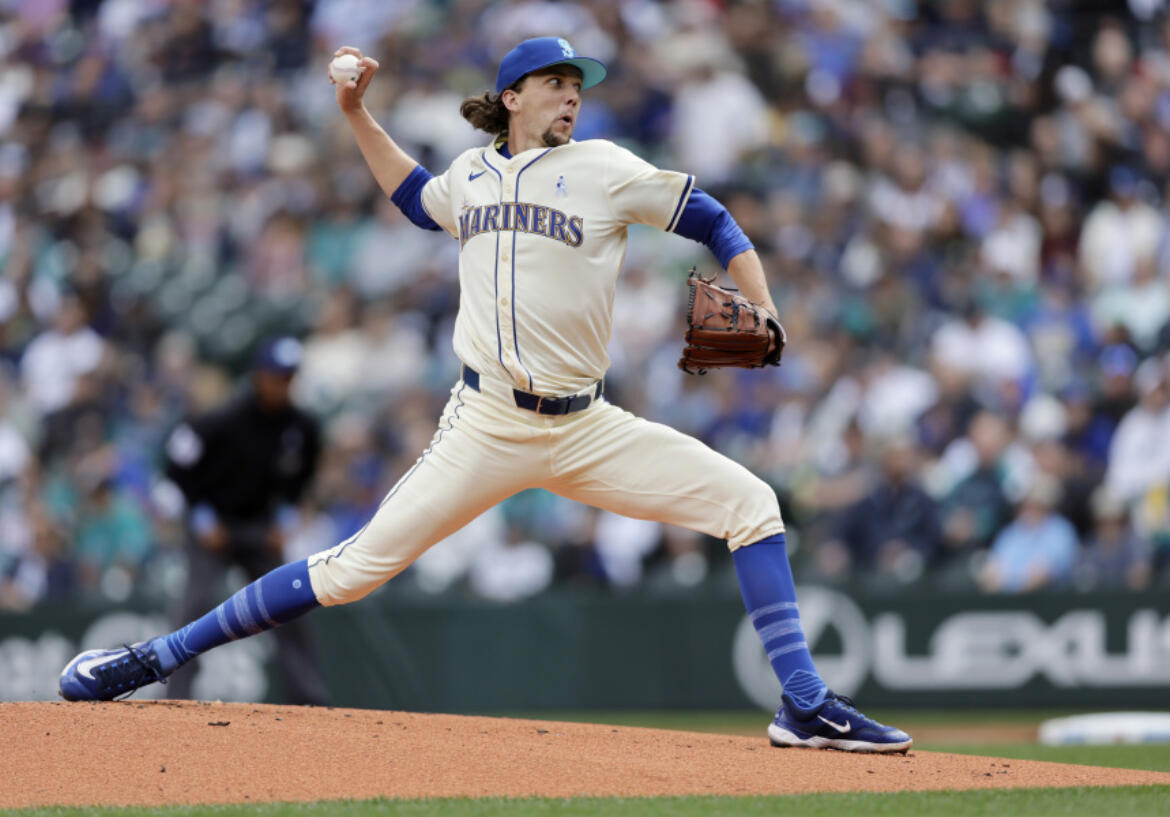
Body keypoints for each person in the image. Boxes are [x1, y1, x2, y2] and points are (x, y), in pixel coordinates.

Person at [59, 38, 909, 753]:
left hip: (586, 425)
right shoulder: (469, 176)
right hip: (486, 423)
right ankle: (152, 657)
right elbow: (413, 196)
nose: (571, 99)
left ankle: (802, 704)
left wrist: (758, 299)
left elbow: (717, 222)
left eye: (578, 88)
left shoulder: (606, 169)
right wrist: (356, 113)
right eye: (555, 85)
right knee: (351, 571)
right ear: (512, 98)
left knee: (751, 502)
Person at [157, 336, 329, 705]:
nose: (283, 385)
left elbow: (304, 478)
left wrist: (285, 516)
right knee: (194, 606)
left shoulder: (301, 427)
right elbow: (177, 466)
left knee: (290, 605)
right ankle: (179, 695)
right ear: (258, 376)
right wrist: (202, 518)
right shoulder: (221, 420)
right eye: (277, 376)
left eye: (289, 377)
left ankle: (308, 699)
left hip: (259, 528)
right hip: (213, 526)